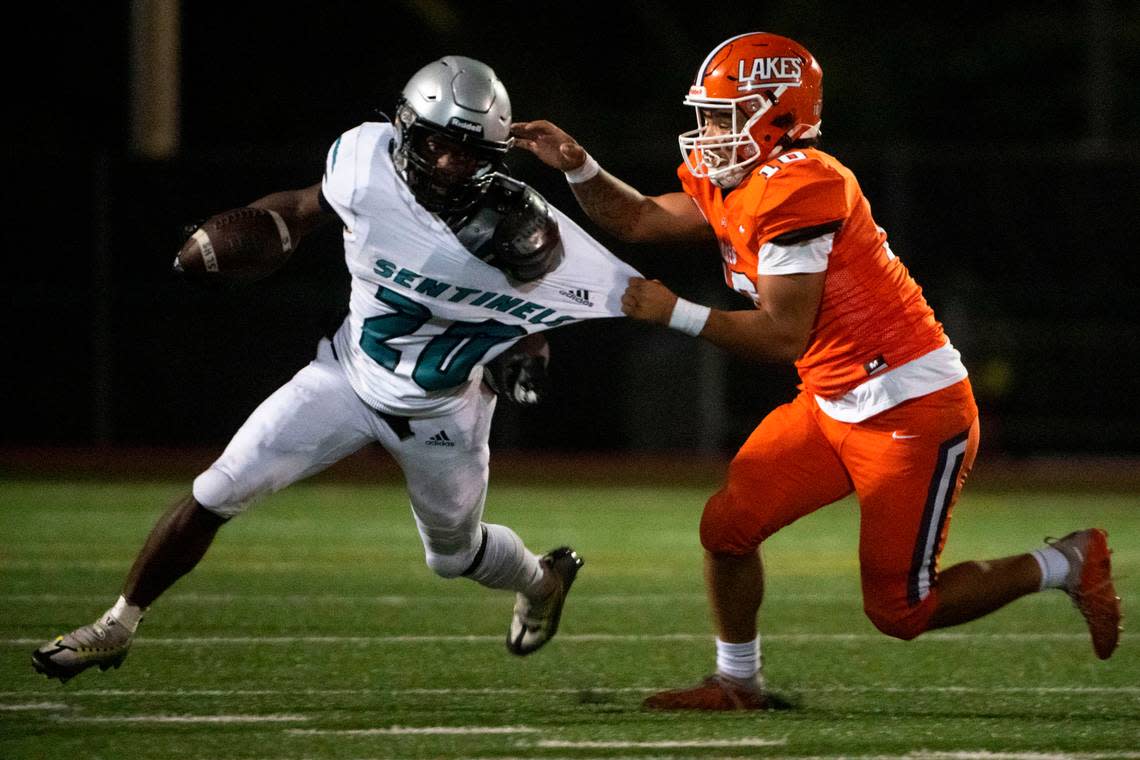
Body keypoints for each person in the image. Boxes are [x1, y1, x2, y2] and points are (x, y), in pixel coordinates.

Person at [512, 32, 1122, 710]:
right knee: (727, 530)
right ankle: (738, 683)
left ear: (776, 114)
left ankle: (1066, 562)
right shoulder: (738, 181)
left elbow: (780, 334)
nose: (708, 130)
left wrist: (672, 311)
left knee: (900, 611)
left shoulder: (804, 183)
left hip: (910, 410)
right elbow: (642, 218)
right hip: (832, 399)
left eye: (723, 114)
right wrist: (577, 168)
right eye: (707, 114)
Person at [33, 55, 641, 683]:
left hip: (442, 407)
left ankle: (542, 581)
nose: (448, 164)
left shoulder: (508, 224)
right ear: (406, 128)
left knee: (453, 556)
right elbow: (300, 207)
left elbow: (539, 307)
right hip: (348, 377)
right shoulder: (362, 161)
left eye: (466, 152)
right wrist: (260, 227)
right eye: (436, 144)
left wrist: (527, 356)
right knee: (219, 487)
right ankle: (116, 625)